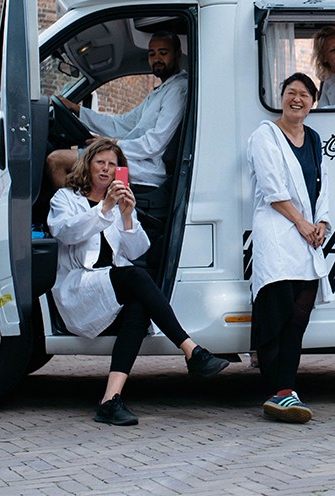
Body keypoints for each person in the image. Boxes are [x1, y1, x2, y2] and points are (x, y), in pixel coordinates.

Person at [48, 138, 229, 426]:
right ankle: (191, 350)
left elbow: (136, 251)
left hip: (111, 293)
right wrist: (104, 209)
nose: (107, 169)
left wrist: (127, 215)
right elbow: (66, 232)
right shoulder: (65, 199)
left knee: (139, 307)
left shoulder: (119, 203)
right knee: (135, 276)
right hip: (81, 291)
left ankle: (110, 400)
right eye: (101, 162)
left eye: (113, 164)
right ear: (88, 164)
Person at [247, 72, 332, 423]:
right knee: (275, 314)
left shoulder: (313, 139)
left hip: (307, 235)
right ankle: (278, 389)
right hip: (278, 234)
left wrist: (322, 223)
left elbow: (322, 186)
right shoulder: (264, 135)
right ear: (280, 97)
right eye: (290, 93)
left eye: (304, 95)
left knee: (298, 318)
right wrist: (302, 223)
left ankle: (285, 389)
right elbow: (272, 188)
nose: (296, 99)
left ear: (313, 103)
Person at [46, 32, 187, 191]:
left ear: (177, 54)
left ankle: (73, 212)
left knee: (56, 161)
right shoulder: (160, 92)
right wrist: (77, 110)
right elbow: (122, 124)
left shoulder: (178, 90)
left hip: (146, 169)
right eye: (152, 54)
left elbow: (154, 144)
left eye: (163, 53)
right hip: (135, 160)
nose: (156, 59)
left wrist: (112, 145)